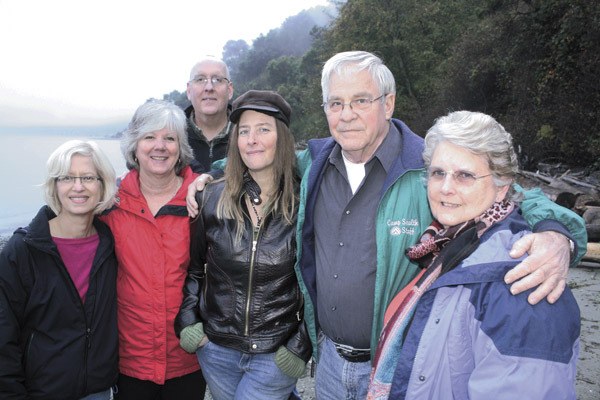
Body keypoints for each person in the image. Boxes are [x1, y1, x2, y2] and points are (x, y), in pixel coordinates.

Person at [187, 51, 586, 399]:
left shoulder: (426, 166)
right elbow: (260, 157)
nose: (346, 115)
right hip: (327, 361)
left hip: (394, 363)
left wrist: (555, 231)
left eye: (361, 100)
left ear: (389, 103)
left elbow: (506, 189)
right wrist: (210, 175)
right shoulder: (315, 162)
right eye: (335, 103)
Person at [367, 111, 581, 399]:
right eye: (438, 172)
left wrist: (558, 236)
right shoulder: (450, 244)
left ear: (502, 186)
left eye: (465, 175)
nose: (445, 188)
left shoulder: (525, 280)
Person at [175, 90, 312, 400]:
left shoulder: (306, 202)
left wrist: (300, 345)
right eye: (244, 131)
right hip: (216, 350)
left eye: (264, 129)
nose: (252, 139)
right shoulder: (210, 197)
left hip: (275, 351)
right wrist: (188, 321)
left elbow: (318, 282)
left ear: (283, 138)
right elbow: (196, 269)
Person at [101, 100, 205, 399]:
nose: (160, 146)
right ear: (135, 146)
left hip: (189, 356)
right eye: (149, 137)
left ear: (180, 148)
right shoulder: (111, 202)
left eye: (169, 138)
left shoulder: (203, 197)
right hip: (129, 358)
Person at [0, 140, 118, 399]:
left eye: (88, 177)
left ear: (102, 184)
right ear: (55, 186)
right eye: (66, 178)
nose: (78, 187)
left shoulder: (111, 245)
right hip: (42, 392)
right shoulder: (23, 251)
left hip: (101, 391)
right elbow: (3, 337)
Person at [185, 56, 234, 173]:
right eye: (200, 80)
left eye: (217, 79)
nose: (209, 87)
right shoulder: (172, 138)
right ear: (189, 91)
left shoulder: (248, 137)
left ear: (230, 90)